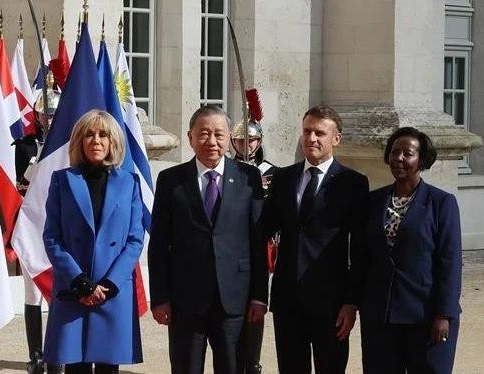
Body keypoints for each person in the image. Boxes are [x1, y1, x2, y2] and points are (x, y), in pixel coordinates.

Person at [148, 105, 268, 374]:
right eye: (203, 134)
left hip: (234, 300)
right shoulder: (170, 180)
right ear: (190, 137)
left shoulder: (248, 178)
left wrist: (260, 296)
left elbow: (257, 240)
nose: (211, 141)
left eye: (218, 134)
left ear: (228, 138)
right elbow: (158, 243)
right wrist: (160, 297)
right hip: (185, 301)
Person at [264, 104, 368, 373]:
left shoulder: (353, 183)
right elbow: (264, 228)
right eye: (307, 131)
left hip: (331, 303)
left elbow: (359, 249)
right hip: (287, 300)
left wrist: (351, 302)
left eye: (320, 133)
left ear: (336, 139)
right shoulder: (283, 178)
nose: (311, 138)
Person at [42, 110, 144, 373]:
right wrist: (81, 282)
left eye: (103, 134)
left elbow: (134, 240)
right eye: (89, 134)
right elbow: (52, 237)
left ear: (113, 142)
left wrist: (108, 285)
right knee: (75, 368)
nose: (96, 140)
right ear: (79, 141)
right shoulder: (62, 181)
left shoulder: (129, 183)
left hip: (112, 292)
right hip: (74, 289)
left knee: (109, 369)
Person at [360, 127, 462, 374]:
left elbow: (450, 262)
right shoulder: (373, 201)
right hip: (381, 316)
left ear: (422, 159)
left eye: (408, 153)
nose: (400, 159)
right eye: (395, 152)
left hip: (425, 316)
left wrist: (444, 314)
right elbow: (364, 258)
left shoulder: (441, 203)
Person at [13, 73, 62, 374]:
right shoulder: (26, 144)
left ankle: (56, 354)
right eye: (46, 113)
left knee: (58, 291)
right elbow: (19, 185)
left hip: (59, 227)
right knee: (32, 294)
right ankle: (36, 355)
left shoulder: (67, 145)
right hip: (33, 226)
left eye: (55, 113)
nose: (51, 118)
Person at [230, 120, 277, 374]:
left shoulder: (273, 172)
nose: (246, 145)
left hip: (262, 245)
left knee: (256, 306)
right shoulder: (228, 169)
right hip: (234, 247)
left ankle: (253, 362)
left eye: (251, 140)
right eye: (240, 140)